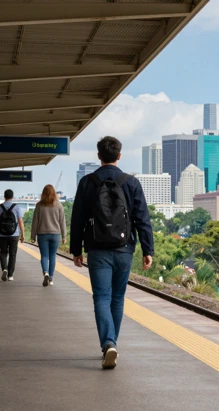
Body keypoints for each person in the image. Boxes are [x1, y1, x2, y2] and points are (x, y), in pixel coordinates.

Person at [71, 136, 153, 370]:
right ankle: (111, 343)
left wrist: (76, 249)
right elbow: (142, 219)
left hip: (97, 249)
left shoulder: (88, 182)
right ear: (119, 155)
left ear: (99, 156)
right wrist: (148, 249)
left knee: (101, 297)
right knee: (117, 298)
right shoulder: (131, 183)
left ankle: (108, 343)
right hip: (124, 248)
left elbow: (77, 218)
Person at [30, 184, 67, 287]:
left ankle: (45, 272)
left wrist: (33, 236)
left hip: (42, 234)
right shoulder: (59, 205)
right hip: (55, 234)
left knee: (44, 256)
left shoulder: (39, 205)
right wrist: (64, 236)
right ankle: (50, 278)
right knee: (52, 256)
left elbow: (35, 222)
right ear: (54, 193)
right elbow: (62, 221)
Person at [0, 189, 25, 281]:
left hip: (2, 235)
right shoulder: (17, 207)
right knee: (12, 254)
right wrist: (23, 234)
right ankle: (10, 275)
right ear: (12, 197)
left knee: (3, 253)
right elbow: (20, 221)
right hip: (14, 235)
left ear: (4, 196)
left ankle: (4, 269)